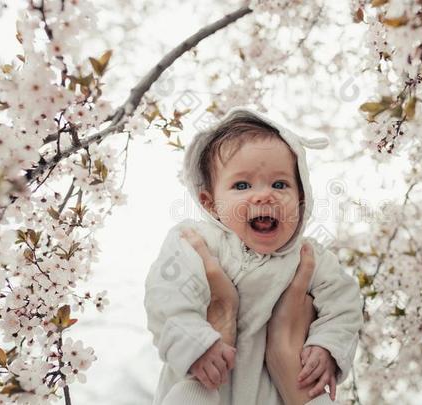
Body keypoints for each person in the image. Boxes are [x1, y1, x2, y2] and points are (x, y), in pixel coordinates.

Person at [144, 106, 364, 405]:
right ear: (210, 204)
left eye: (280, 184)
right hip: (204, 385)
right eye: (242, 185)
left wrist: (327, 347)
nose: (264, 195)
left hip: (275, 394)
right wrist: (195, 343)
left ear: (301, 200)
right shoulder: (197, 241)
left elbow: (345, 304)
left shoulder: (309, 257)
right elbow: (166, 295)